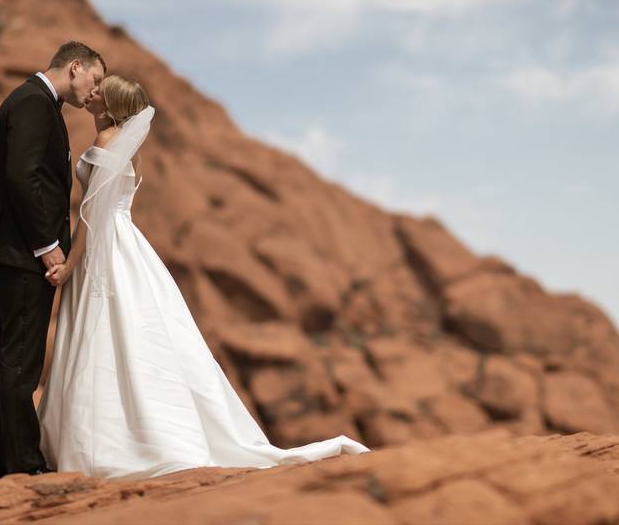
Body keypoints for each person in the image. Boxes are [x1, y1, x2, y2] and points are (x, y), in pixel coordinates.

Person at [36, 74, 369, 479]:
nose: (89, 94)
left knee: (108, 330)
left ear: (109, 105)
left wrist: (70, 264)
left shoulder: (108, 144)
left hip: (108, 243)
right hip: (125, 242)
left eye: (98, 92)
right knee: (131, 331)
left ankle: (112, 442)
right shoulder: (128, 146)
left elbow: (91, 212)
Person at [0, 41, 106, 483]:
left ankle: (1, 464)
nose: (92, 91)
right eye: (93, 80)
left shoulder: (31, 101)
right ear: (74, 67)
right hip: (24, 254)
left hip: (15, 250)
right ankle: (22, 464)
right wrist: (45, 245)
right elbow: (23, 176)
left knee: (5, 358)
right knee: (20, 361)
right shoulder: (35, 104)